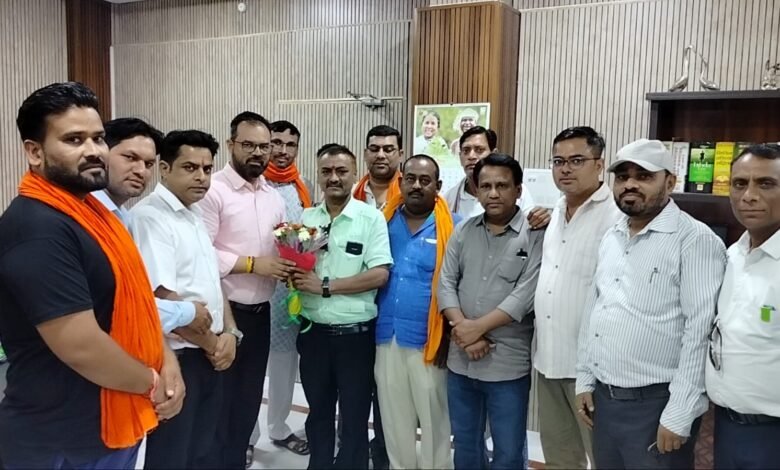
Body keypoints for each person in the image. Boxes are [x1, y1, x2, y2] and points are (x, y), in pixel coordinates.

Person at [0, 82, 172, 469]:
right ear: (35, 152)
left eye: (97, 138)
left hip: (105, 423)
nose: (93, 150)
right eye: (74, 140)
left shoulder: (93, 215)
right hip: (59, 439)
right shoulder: (36, 227)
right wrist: (153, 383)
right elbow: (81, 346)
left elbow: (131, 307)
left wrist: (166, 362)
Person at [575, 138, 727, 469]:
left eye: (643, 176)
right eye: (623, 176)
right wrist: (585, 378)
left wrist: (680, 411)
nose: (630, 185)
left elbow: (700, 332)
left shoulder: (695, 240)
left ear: (670, 182)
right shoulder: (613, 235)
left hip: (657, 404)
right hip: (605, 400)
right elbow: (596, 310)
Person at [132, 130, 239, 469]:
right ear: (164, 169)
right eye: (190, 168)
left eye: (207, 169)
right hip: (178, 357)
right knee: (172, 455)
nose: (202, 177)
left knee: (202, 451)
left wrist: (230, 332)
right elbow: (163, 299)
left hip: (205, 353)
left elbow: (211, 282)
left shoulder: (192, 213)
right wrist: (213, 344)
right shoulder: (150, 217)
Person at [199, 112, 293, 468]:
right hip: (223, 315)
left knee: (248, 402)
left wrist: (292, 263)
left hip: (261, 314)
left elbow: (279, 246)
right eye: (249, 145)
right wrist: (252, 264)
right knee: (218, 408)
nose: (258, 153)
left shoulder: (273, 196)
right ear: (231, 145)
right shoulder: (212, 191)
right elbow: (201, 252)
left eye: (264, 146)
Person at [438, 153, 544, 469]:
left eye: (502, 185)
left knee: (508, 450)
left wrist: (475, 329)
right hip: (461, 362)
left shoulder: (536, 234)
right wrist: (465, 332)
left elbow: (524, 296)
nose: (493, 193)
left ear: (518, 190)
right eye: (485, 186)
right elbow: (446, 283)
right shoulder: (463, 230)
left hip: (506, 365)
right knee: (465, 443)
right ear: (477, 190)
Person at [291, 144, 393, 469]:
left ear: (354, 174)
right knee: (318, 413)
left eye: (341, 171)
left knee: (354, 416)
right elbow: (299, 267)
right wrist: (292, 275)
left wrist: (325, 286)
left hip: (355, 338)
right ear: (318, 175)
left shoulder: (371, 218)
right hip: (313, 335)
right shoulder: (307, 218)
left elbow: (379, 274)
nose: (333, 178)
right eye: (326, 171)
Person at [533, 126, 620, 469]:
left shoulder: (617, 215)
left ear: (599, 165)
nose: (565, 169)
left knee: (603, 457)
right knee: (559, 458)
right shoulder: (555, 211)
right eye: (559, 161)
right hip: (548, 360)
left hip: (592, 370)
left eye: (576, 160)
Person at [375, 154, 460, 469]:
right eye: (410, 178)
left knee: (436, 421)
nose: (416, 186)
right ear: (401, 182)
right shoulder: (381, 222)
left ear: (438, 186)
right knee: (394, 422)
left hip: (430, 342)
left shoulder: (455, 227)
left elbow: (460, 285)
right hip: (386, 338)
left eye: (425, 180)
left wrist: (448, 335)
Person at [93, 117, 212, 339]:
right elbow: (118, 300)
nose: (141, 171)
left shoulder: (123, 217)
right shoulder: (87, 214)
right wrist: (190, 318)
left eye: (148, 164)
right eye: (130, 157)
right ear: (101, 153)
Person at [705, 143, 780, 468]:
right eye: (739, 184)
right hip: (726, 425)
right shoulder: (731, 256)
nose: (749, 195)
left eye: (766, 184)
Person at [261, 119, 312, 456]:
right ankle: (245, 438)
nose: (282, 151)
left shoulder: (303, 186)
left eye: (289, 144)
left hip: (289, 293)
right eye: (275, 143)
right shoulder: (253, 183)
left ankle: (279, 428)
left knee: (284, 364)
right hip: (251, 288)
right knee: (248, 370)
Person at [444, 126, 536, 218]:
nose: (471, 156)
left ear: (493, 153)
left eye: (479, 150)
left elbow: (531, 221)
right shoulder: (450, 198)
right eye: (466, 151)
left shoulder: (514, 190)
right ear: (460, 156)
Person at [354, 125, 404, 210]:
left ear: (400, 155)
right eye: (374, 149)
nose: (380, 155)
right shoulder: (352, 194)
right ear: (365, 154)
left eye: (388, 150)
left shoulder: (410, 193)